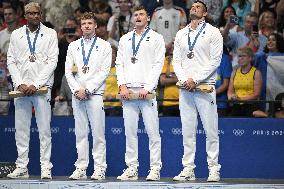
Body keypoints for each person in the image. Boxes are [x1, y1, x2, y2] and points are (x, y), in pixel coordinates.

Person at [6, 2, 58, 179]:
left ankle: (46, 167)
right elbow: (11, 61)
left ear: (41, 14)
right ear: (25, 15)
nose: (35, 16)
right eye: (32, 13)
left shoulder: (50, 33)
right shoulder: (16, 35)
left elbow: (52, 61)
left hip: (41, 88)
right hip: (21, 89)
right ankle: (22, 167)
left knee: (44, 130)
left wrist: (35, 84)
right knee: (21, 129)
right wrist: (19, 82)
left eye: (38, 13)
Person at [172, 0, 223, 182]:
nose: (194, 8)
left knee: (210, 130)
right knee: (187, 131)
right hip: (185, 87)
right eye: (192, 6)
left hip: (204, 86)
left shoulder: (213, 32)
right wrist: (186, 79)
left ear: (205, 13)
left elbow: (215, 60)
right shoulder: (180, 34)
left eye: (198, 7)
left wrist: (196, 79)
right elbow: (176, 61)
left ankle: (213, 169)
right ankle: (188, 169)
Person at [116, 5, 165, 181]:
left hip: (147, 91)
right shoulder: (125, 39)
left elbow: (158, 64)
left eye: (141, 14)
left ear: (148, 18)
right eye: (135, 14)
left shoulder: (156, 38)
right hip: (128, 91)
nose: (138, 17)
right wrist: (121, 85)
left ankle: (155, 169)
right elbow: (119, 64)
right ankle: (131, 168)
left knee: (153, 132)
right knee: (130, 132)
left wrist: (149, 87)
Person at [65, 12, 112, 180]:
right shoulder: (73, 46)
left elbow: (104, 72)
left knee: (98, 133)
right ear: (80, 26)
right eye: (84, 23)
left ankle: (99, 168)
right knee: (80, 133)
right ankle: (81, 167)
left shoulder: (105, 46)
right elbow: (68, 72)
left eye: (89, 23)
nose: (86, 26)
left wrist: (88, 89)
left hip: (95, 94)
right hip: (77, 94)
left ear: (95, 26)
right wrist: (77, 89)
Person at [227, 46, 262, 117]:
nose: (241, 58)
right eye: (239, 56)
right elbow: (230, 91)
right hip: (236, 105)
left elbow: (256, 94)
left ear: (250, 58)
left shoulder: (256, 73)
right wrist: (231, 97)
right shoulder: (234, 72)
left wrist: (240, 99)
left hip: (250, 105)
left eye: (244, 56)